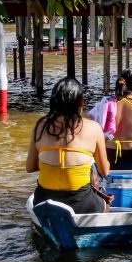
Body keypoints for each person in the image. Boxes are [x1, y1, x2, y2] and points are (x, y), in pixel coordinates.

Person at [26, 77, 112, 213]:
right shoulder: (94, 128)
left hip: (44, 200)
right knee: (106, 201)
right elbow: (104, 171)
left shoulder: (40, 126)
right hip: (82, 204)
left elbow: (30, 167)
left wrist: (53, 165)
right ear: (81, 102)